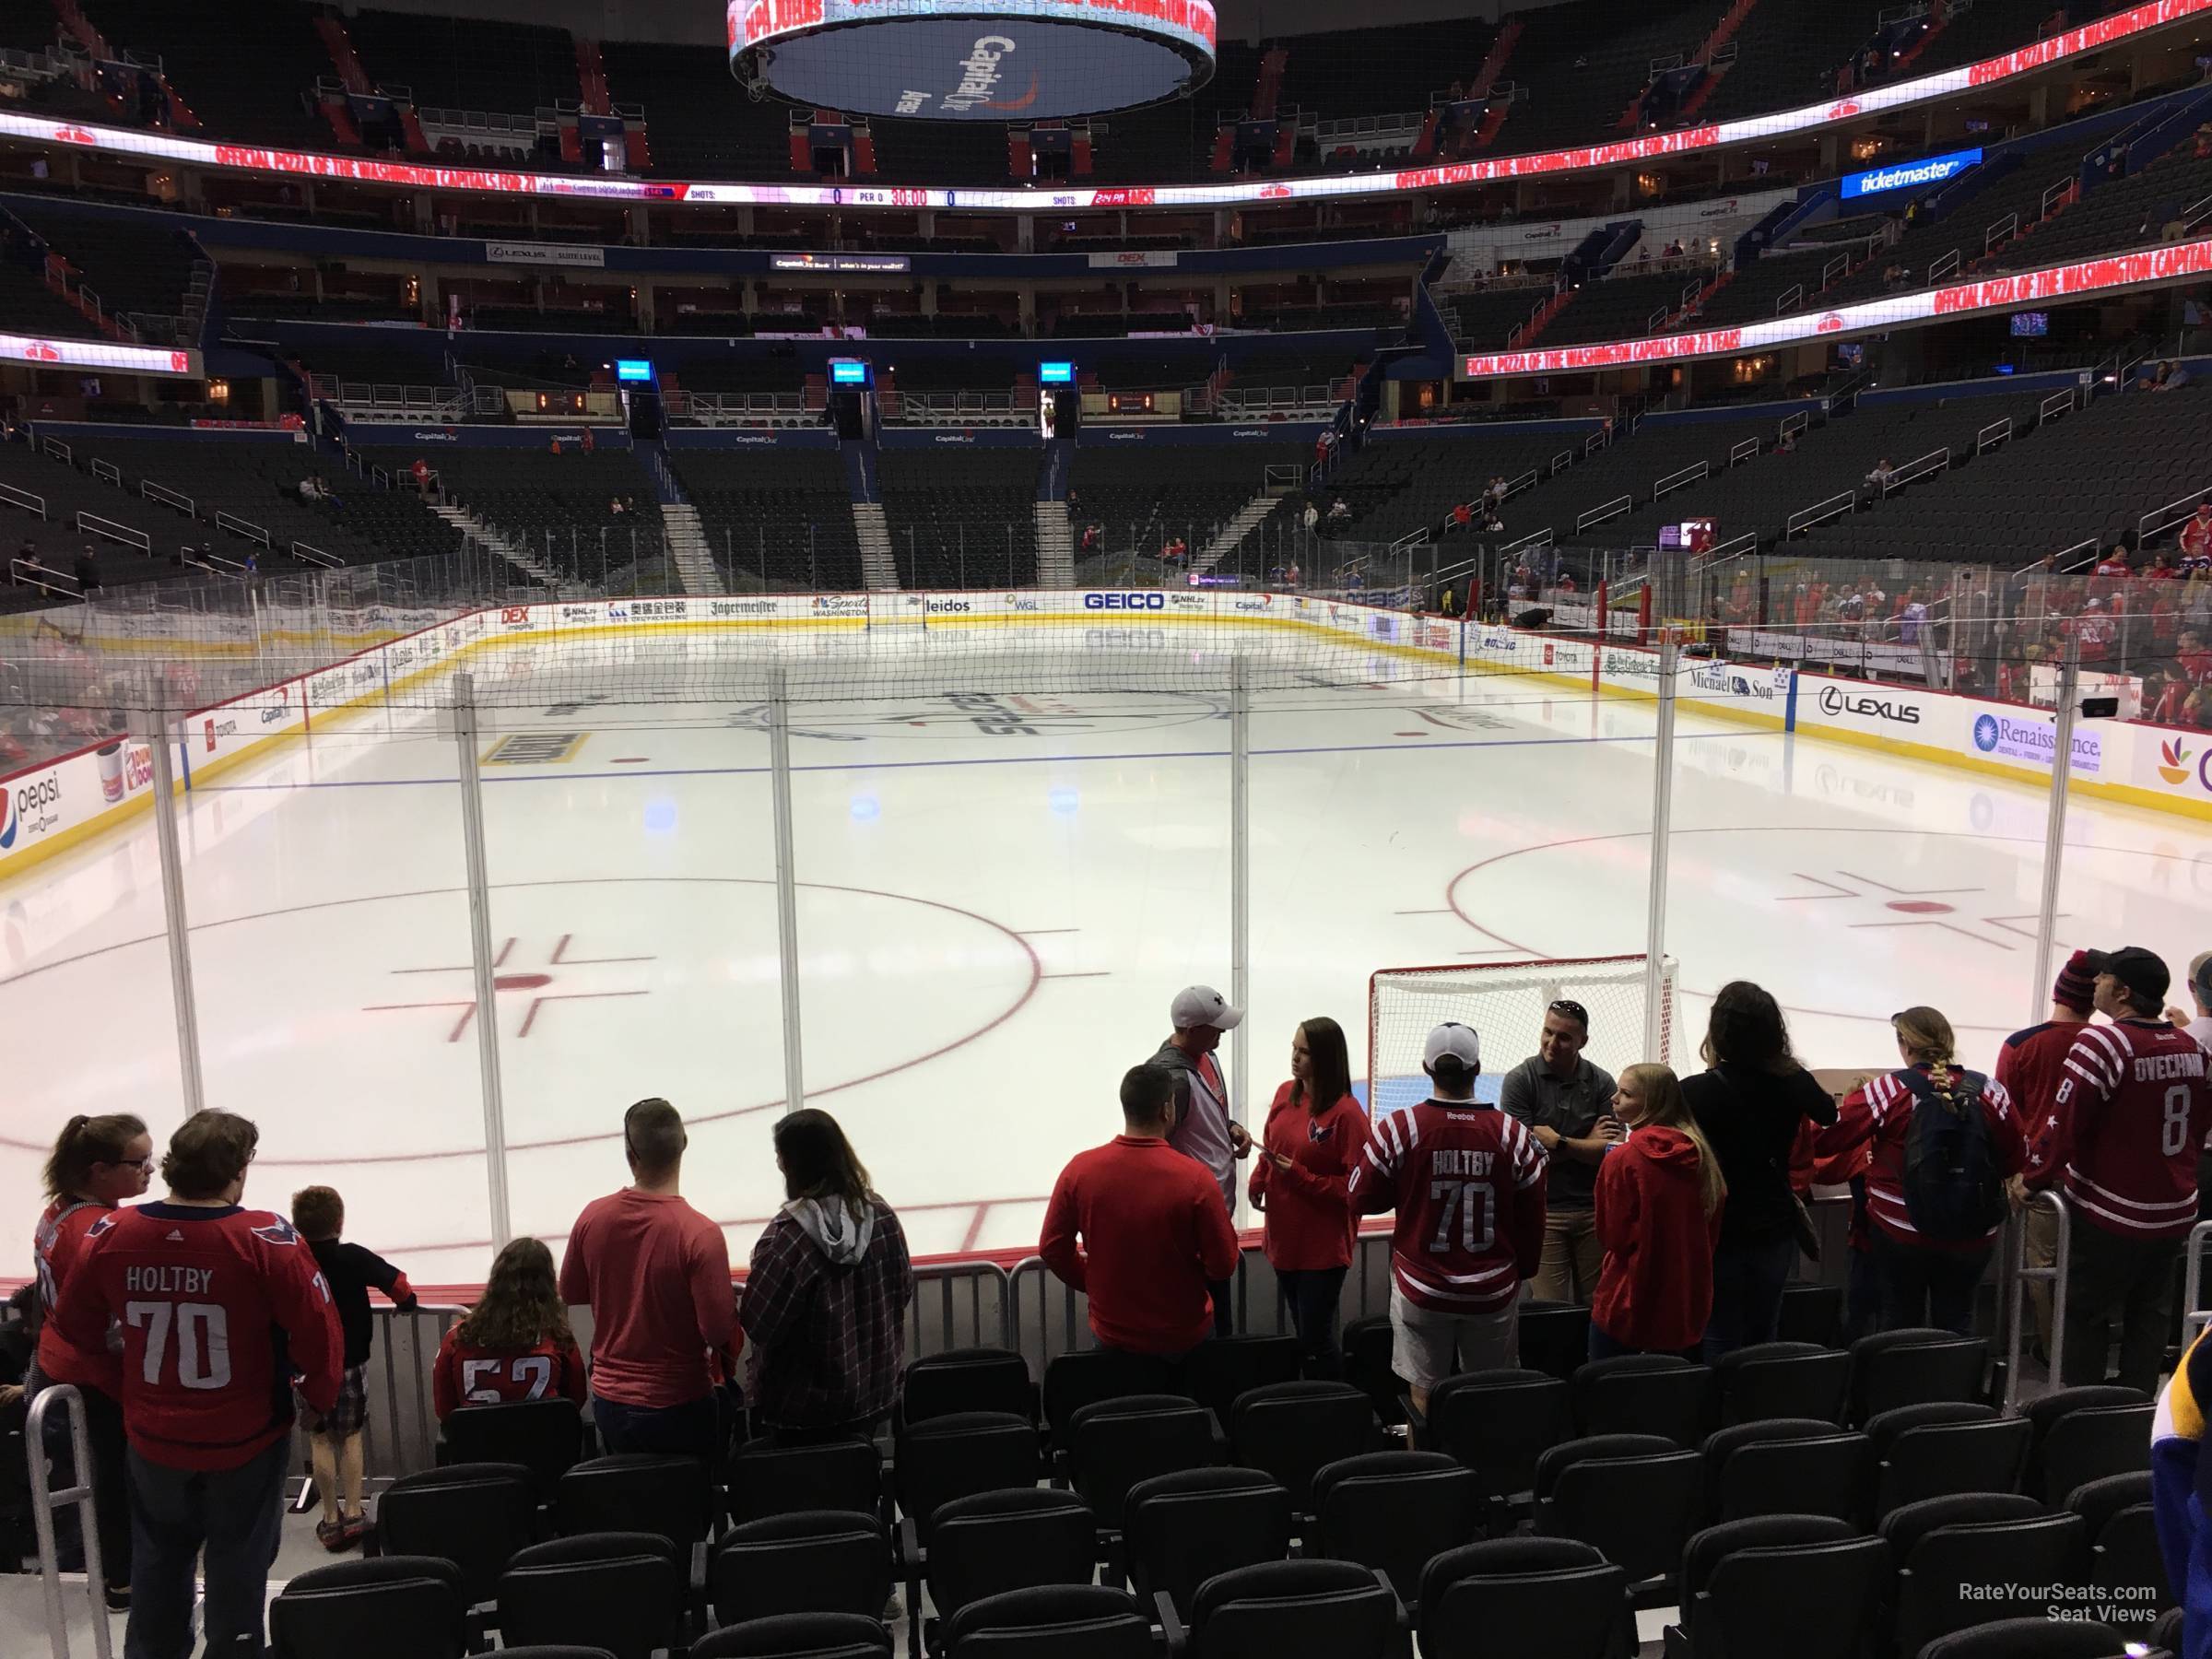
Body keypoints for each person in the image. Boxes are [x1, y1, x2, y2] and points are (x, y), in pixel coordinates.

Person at [50, 1110, 342, 1659]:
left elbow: (75, 1329)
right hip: (244, 1440)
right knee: (239, 1563)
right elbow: (319, 1338)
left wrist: (126, 1388)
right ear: (239, 1169)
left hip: (155, 1440)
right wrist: (319, 1401)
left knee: (158, 1561)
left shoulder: (112, 1232)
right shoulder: (266, 1238)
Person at [2029, 947, 2212, 1392]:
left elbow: (2065, 1119)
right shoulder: (2191, 1046)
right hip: (2173, 1211)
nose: (2095, 984)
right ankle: (2134, 1416)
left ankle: (2083, 1417)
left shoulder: (2103, 1042)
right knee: (2149, 1317)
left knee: (2085, 1316)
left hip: (2111, 1213)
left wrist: (2032, 1175)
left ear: (2123, 991)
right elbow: (2199, 1125)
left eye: (2104, 978)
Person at [1349, 1023, 1547, 1418]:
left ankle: (1432, 1474)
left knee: (1425, 1393)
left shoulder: (1399, 1128)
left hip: (1422, 1289)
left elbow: (1359, 1198)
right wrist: (1520, 1272)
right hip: (1491, 1291)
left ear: (1427, 1067)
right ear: (1478, 1070)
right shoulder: (1514, 1135)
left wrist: (1408, 1189)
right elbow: (1532, 1216)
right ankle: (1489, 1472)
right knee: (1489, 1394)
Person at [1817, 1008, 2024, 1336]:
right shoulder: (1990, 1090)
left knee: (1899, 1320)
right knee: (1957, 1319)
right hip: (1973, 1232)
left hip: (1901, 1230)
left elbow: (1826, 1138)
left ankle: (1898, 1386)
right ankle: (1956, 1385)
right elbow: (2015, 1157)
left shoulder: (1890, 1090)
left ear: (1905, 1044)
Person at [559, 1098, 738, 1465]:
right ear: (684, 1144)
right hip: (681, 1401)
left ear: (630, 1154)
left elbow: (571, 1290)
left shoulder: (594, 1218)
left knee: (633, 1503)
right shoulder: (700, 1233)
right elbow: (718, 1331)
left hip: (613, 1400)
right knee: (686, 1504)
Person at [27, 1113, 151, 1609]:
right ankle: (123, 1580)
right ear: (99, 1170)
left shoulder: (59, 1211)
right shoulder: (95, 1230)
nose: (149, 1171)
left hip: (63, 1361)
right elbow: (115, 1319)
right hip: (93, 1373)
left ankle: (117, 1572)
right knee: (119, 1483)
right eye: (138, 1163)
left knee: (104, 1479)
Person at [1680, 982, 1839, 1359]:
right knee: (1764, 1330)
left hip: (1722, 1227)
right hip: (1774, 1225)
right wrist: (1787, 1066)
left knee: (1720, 1330)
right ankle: (1757, 1406)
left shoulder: (1694, 1091)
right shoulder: (1790, 1084)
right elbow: (1828, 1112)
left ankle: (1723, 1411)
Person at [1041, 1064, 1241, 1362]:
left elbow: (1052, 1248)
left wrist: (1092, 1280)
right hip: (1184, 1338)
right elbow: (1223, 1264)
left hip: (1113, 1336)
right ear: (1166, 1110)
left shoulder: (1080, 1172)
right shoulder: (1196, 1178)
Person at [737, 1109, 912, 1442]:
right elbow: (902, 1290)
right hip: (869, 1400)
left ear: (791, 1164)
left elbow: (759, 1323)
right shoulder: (882, 1217)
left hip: (800, 1415)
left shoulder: (786, 1239)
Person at [289, 1185, 417, 1550]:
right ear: (340, 1221)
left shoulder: (295, 1261)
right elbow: (397, 1283)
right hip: (350, 1363)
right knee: (350, 1435)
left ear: (298, 1225)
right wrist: (407, 1303)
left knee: (320, 1436)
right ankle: (354, 1512)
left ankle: (330, 1519)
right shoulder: (352, 1257)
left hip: (307, 1368)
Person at [1249, 1017, 1368, 1378]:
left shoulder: (1347, 1115)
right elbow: (1272, 1146)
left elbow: (1356, 1190)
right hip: (1284, 1240)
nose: (1295, 1058)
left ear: (1327, 1059)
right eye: (1293, 1049)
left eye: (1305, 1052)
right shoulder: (1287, 1092)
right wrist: (1260, 1177)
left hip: (1322, 1249)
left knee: (1316, 1341)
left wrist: (1300, 1177)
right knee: (1307, 1334)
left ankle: (1333, 1408)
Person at [1999, 948, 2100, 1351]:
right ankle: (2082, 1349)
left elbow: (2005, 1114)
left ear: (2058, 991)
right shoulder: (2109, 1042)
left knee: (2043, 1268)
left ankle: (2054, 1350)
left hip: (2039, 1179)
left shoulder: (2021, 1045)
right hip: (2095, 1177)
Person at [1591, 1065, 1725, 1359]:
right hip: (1684, 1302)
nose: (1614, 1098)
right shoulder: (1702, 1156)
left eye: (1625, 1094)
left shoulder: (1622, 1160)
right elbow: (1711, 1230)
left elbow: (1611, 1236)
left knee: (1606, 1395)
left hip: (1628, 1299)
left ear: (1651, 1103)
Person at [1499, 997, 1620, 1304]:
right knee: (1549, 1310)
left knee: (1599, 1307)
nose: (1552, 1042)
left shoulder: (1602, 1082)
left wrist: (1557, 1142)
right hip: (1543, 1213)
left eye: (1564, 1037)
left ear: (1583, 1041)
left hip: (1595, 1212)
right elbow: (1522, 1158)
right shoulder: (1519, 1081)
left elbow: (1612, 1153)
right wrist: (1587, 1142)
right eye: (1548, 1031)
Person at [1150, 984, 1253, 1335]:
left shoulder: (1206, 1055)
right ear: (1193, 1031)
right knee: (1204, 1323)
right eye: (1216, 1027)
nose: (1223, 1032)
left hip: (1214, 1211)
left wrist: (1231, 1127)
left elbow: (1207, 1112)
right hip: (1192, 1225)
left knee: (1220, 1315)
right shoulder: (1171, 1078)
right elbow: (1153, 1151)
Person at [431, 1236, 586, 1419]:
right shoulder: (558, 1338)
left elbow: (444, 1409)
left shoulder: (457, 1338)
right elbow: (576, 1399)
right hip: (544, 1445)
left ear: (496, 1280)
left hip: (476, 1446)